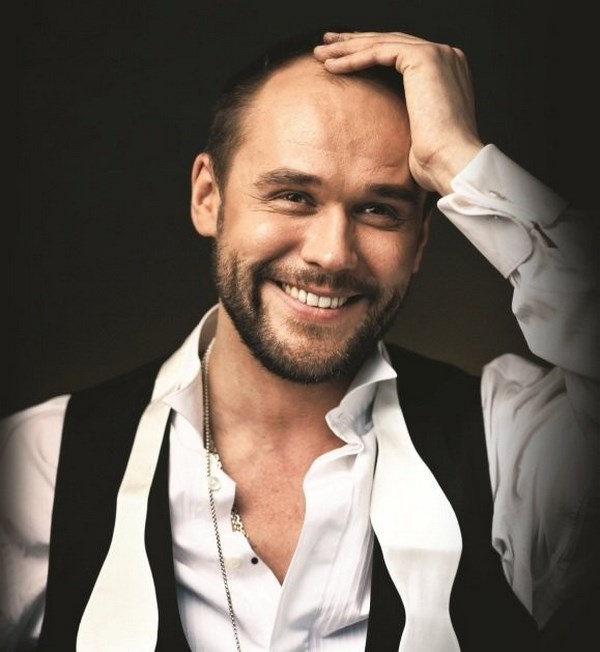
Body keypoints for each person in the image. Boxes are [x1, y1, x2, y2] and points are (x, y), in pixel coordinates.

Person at [1, 27, 598, 652]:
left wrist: (460, 160)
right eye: (292, 196)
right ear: (208, 197)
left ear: (421, 240)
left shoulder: (508, 444)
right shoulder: (41, 466)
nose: (332, 254)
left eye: (379, 210)